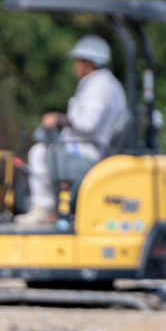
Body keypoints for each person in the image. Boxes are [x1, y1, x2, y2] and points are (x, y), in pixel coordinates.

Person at [13, 35, 129, 228]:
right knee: (45, 148)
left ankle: (45, 209)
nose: (75, 65)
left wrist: (57, 119)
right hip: (88, 146)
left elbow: (88, 123)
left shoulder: (100, 85)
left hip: (90, 151)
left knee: (39, 153)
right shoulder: (98, 83)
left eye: (78, 61)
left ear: (89, 63)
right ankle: (52, 209)